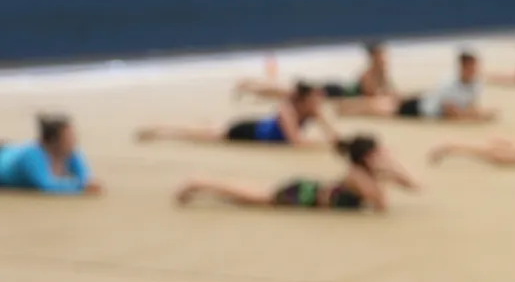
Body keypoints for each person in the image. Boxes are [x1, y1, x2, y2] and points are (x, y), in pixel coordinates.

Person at [175, 134, 416, 212]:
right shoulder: (357, 174)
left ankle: (206, 187)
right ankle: (200, 183)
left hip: (311, 192)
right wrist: (388, 169)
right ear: (367, 157)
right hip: (304, 193)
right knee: (254, 198)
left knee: (250, 197)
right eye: (379, 152)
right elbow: (381, 205)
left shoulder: (370, 172)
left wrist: (394, 165)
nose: (384, 155)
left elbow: (415, 186)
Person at [137, 82, 340, 147]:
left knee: (208, 130)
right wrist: (321, 145)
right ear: (304, 99)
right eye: (314, 99)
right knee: (203, 136)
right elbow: (294, 140)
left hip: (260, 132)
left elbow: (333, 136)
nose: (318, 103)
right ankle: (160, 130)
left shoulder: (313, 112)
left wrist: (332, 139)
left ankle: (165, 129)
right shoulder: (286, 109)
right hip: (248, 131)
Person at [335, 50, 496, 122]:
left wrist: (476, 113)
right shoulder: (448, 82)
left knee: (389, 103)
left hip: (427, 99)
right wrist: (475, 116)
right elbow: (450, 111)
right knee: (387, 110)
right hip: (423, 108)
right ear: (462, 66)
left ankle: (350, 108)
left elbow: (470, 104)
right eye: (471, 66)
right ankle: (351, 109)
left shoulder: (476, 82)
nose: (474, 69)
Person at [234, 41, 395, 104]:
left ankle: (252, 86)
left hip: (338, 91)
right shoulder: (369, 73)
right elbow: (369, 94)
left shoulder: (381, 72)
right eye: (381, 54)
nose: (385, 57)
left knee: (290, 92)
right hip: (334, 91)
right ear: (374, 56)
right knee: (290, 92)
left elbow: (388, 89)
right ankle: (251, 87)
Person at [0, 114, 101, 194]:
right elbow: (45, 185)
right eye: (68, 137)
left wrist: (86, 184)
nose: (74, 140)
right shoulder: (32, 155)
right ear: (53, 141)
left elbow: (85, 178)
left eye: (73, 135)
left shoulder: (72, 153)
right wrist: (80, 187)